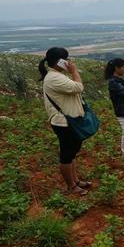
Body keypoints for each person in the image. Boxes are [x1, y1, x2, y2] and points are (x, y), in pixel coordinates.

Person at [39, 47, 90, 195]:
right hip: (63, 122)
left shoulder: (57, 75)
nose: (68, 62)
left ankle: (75, 181)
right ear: (59, 61)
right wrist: (74, 71)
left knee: (72, 153)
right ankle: (71, 186)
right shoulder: (54, 78)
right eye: (65, 60)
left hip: (70, 121)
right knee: (67, 155)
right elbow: (78, 87)